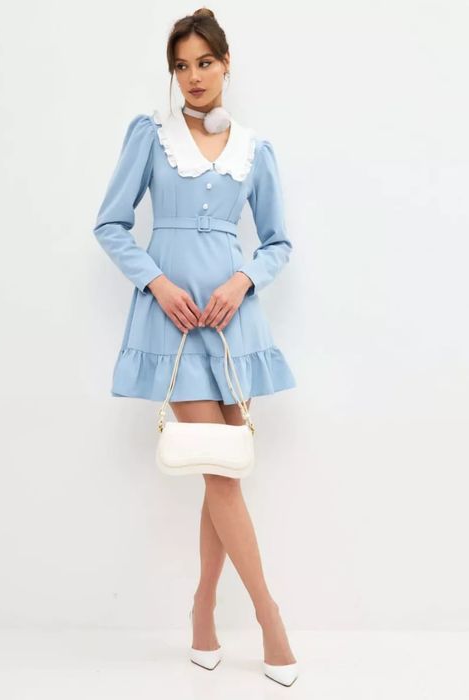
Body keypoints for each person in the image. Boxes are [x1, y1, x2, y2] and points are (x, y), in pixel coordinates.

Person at [92, 7, 299, 688]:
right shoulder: (150, 137)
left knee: (223, 472)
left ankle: (203, 607)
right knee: (219, 472)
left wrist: (244, 279)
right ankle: (269, 616)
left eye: (204, 62)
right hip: (174, 324)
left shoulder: (255, 149)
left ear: (225, 63)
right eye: (181, 66)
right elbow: (111, 224)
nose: (193, 77)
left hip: (233, 324)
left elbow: (277, 241)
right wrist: (156, 281)